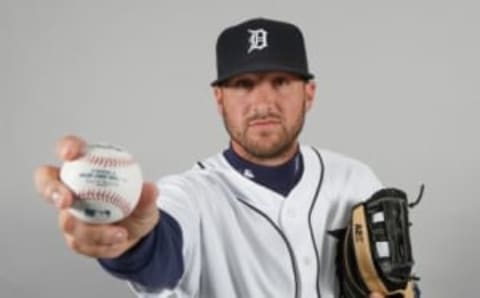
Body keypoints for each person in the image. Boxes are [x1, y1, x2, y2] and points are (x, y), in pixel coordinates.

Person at [34, 18, 402, 298]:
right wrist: (130, 244)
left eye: (280, 82)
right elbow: (160, 255)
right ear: (219, 98)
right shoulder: (190, 196)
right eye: (243, 84)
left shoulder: (356, 181)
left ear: (309, 93)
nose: (262, 102)